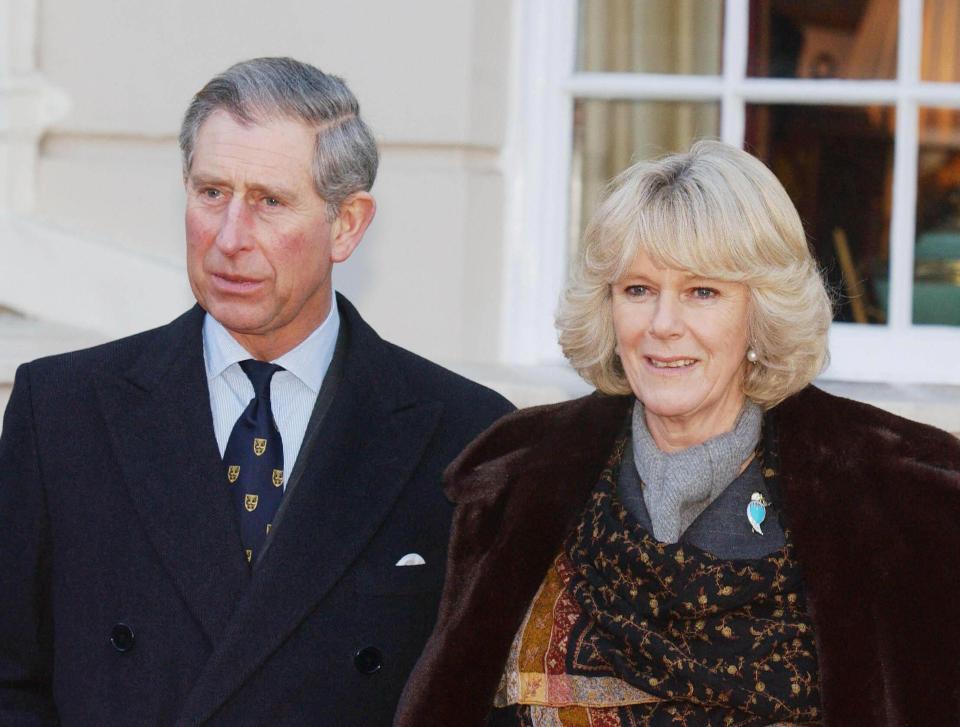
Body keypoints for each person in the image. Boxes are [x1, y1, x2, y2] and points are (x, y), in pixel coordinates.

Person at [0, 57, 513, 726]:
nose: (230, 237)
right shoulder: (60, 411)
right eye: (211, 192)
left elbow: (489, 703)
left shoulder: (467, 436)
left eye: (269, 201)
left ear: (348, 223)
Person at [395, 141, 960, 726]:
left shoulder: (904, 494)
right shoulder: (514, 477)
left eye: (702, 292)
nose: (663, 326)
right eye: (638, 290)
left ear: (760, 313)